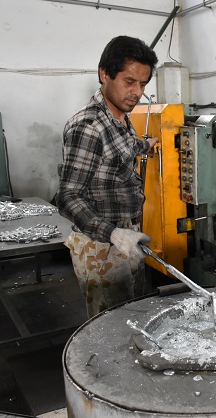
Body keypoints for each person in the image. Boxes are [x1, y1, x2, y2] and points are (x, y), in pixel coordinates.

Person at [56, 36, 159, 318]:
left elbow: (124, 148)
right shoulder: (89, 126)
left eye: (143, 84)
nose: (137, 92)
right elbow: (67, 197)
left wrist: (147, 145)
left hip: (127, 238)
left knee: (132, 316)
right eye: (129, 82)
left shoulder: (120, 118)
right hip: (101, 245)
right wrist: (114, 234)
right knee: (110, 326)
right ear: (104, 74)